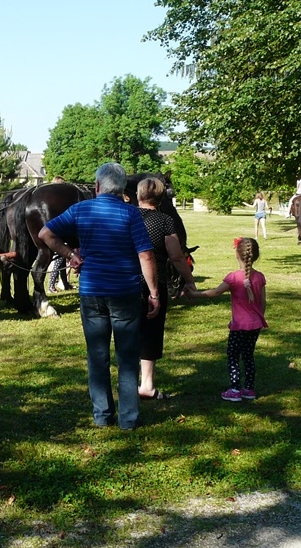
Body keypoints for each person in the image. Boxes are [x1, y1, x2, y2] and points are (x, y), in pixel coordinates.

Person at [38, 162, 161, 431]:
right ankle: (128, 418)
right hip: (125, 292)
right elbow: (145, 255)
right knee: (127, 358)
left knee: (97, 355)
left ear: (97, 186)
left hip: (92, 291)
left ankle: (102, 415)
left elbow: (45, 233)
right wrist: (154, 293)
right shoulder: (131, 214)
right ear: (123, 188)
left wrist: (70, 254)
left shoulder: (81, 209)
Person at [135, 176, 197, 400]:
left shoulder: (127, 216)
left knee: (128, 331)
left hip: (126, 282)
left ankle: (128, 381)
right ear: (161, 198)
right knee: (151, 332)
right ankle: (147, 384)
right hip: (155, 282)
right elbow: (177, 257)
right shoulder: (165, 221)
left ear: (138, 195)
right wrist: (189, 280)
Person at [185, 237, 267, 402]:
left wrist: (194, 294)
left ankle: (235, 389)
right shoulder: (260, 277)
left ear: (237, 254)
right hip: (255, 325)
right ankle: (249, 389)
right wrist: (259, 316)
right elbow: (263, 302)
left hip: (239, 326)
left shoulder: (233, 277)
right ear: (256, 256)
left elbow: (215, 292)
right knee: (248, 356)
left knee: (233, 356)